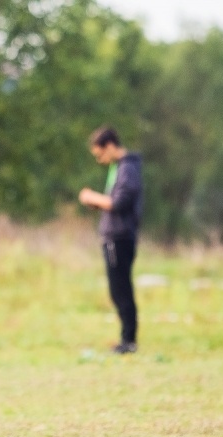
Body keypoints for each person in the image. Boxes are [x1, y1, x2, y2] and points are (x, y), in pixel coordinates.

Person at [79, 126, 143, 354]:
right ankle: (126, 339)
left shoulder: (128, 168)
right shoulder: (120, 167)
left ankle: (129, 341)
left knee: (121, 289)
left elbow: (120, 203)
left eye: (100, 155)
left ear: (109, 146)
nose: (100, 160)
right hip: (114, 237)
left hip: (120, 237)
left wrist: (92, 197)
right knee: (118, 289)